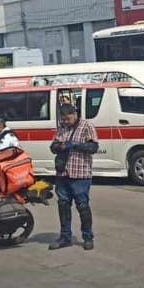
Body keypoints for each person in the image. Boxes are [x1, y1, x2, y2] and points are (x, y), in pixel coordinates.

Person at [49, 103, 97, 251]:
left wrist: (73, 145)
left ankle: (88, 237)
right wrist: (59, 146)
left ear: (74, 114)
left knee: (82, 206)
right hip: (63, 174)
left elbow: (93, 148)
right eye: (63, 119)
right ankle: (65, 237)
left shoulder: (87, 126)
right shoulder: (62, 128)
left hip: (80, 174)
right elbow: (53, 146)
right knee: (63, 205)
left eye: (67, 119)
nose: (65, 122)